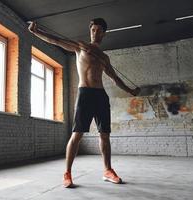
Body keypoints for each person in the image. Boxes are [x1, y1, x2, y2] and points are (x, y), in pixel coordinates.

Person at [28, 18, 140, 188]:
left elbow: (115, 79)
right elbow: (57, 40)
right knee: (77, 135)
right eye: (93, 30)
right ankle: (67, 173)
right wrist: (37, 32)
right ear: (90, 31)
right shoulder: (80, 47)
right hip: (85, 93)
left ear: (104, 33)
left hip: (100, 95)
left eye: (99, 30)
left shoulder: (104, 57)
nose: (95, 33)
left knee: (105, 134)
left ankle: (108, 170)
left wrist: (130, 91)